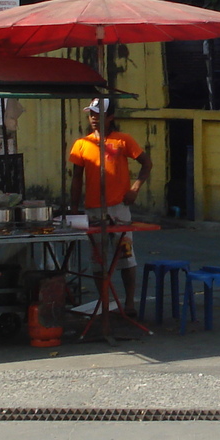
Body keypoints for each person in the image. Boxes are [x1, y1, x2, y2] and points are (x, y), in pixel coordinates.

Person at [68, 98, 152, 317]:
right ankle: (104, 302)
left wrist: (135, 188)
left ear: (111, 117)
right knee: (98, 259)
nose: (94, 119)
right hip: (93, 209)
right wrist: (73, 208)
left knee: (125, 256)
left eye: (99, 114)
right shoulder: (82, 144)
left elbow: (146, 163)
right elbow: (77, 179)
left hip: (119, 208)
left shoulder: (123, 140)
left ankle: (130, 303)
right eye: (91, 114)